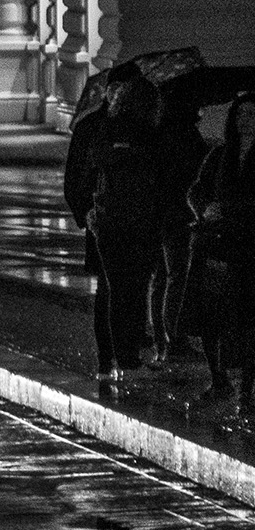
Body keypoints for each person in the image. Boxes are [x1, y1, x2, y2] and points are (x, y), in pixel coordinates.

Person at [66, 77, 163, 381]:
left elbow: (82, 175)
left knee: (116, 290)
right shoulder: (145, 134)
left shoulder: (101, 128)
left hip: (109, 220)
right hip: (129, 220)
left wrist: (88, 213)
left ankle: (114, 357)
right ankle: (123, 355)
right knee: (128, 289)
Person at [183, 93, 255, 410]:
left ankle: (246, 386)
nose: (244, 120)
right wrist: (204, 208)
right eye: (240, 114)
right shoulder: (220, 154)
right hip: (217, 244)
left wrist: (229, 209)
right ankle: (219, 378)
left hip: (247, 246)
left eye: (251, 114)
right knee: (211, 315)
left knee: (247, 317)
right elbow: (197, 189)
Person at [149, 94, 209, 363]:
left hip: (160, 213)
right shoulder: (186, 135)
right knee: (177, 276)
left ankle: (162, 341)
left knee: (162, 278)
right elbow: (192, 175)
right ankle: (175, 339)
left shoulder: (157, 131)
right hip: (178, 213)